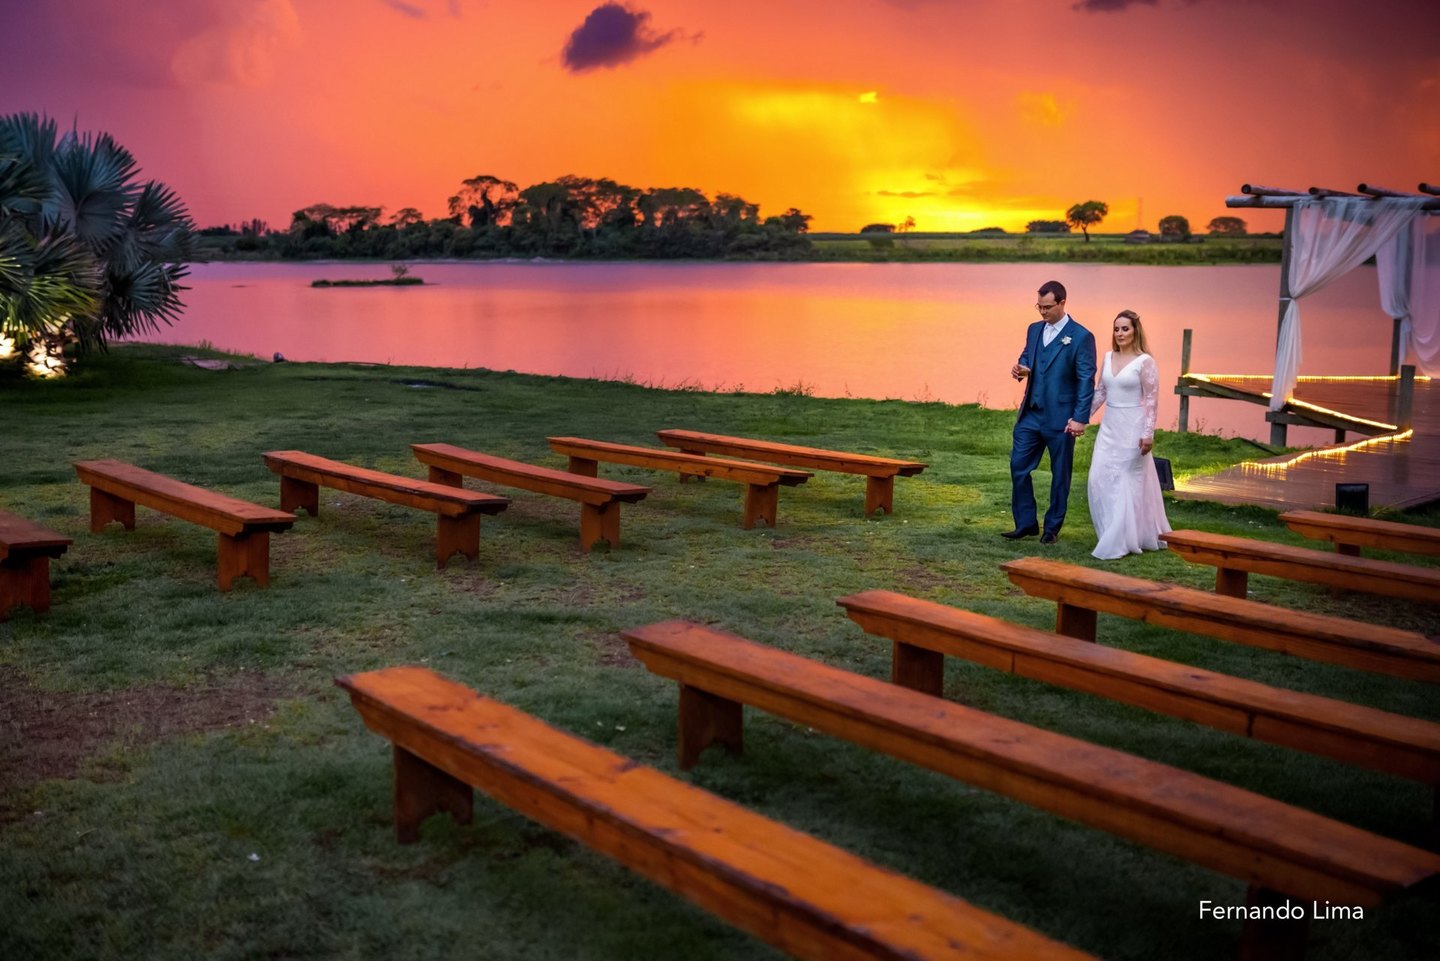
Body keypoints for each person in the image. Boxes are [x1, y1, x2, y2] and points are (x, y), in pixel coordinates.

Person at [1004, 280, 1096, 544]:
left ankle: (1052, 528)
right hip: (1031, 415)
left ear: (1062, 303)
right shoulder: (1033, 330)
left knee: (1060, 474)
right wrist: (1020, 369)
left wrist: (1080, 417)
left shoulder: (1081, 336)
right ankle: (1026, 523)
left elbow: (1086, 379)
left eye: (1047, 307)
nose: (1042, 312)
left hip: (1062, 419)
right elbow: (1027, 357)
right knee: (1018, 466)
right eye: (1039, 307)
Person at [1087, 309, 1172, 559]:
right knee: (1098, 477)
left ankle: (1122, 538)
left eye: (1125, 328)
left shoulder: (1145, 361)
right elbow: (1101, 392)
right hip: (1109, 428)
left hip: (1133, 427)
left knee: (1126, 481)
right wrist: (1081, 417)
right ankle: (1110, 530)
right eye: (1116, 329)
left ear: (1135, 331)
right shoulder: (1108, 356)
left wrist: (1148, 434)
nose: (1120, 333)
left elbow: (1152, 399)